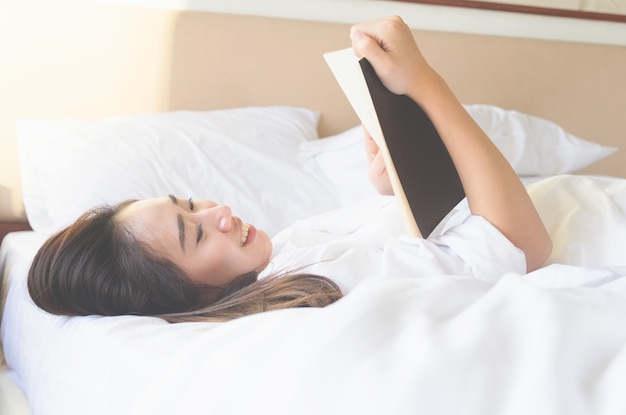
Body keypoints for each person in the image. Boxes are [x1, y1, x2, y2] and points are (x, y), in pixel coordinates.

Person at [27, 16, 552, 322]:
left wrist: (390, 193)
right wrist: (425, 82)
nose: (221, 213)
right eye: (195, 234)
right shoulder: (314, 283)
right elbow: (520, 248)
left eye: (191, 205)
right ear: (190, 298)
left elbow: (419, 254)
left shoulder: (281, 255)